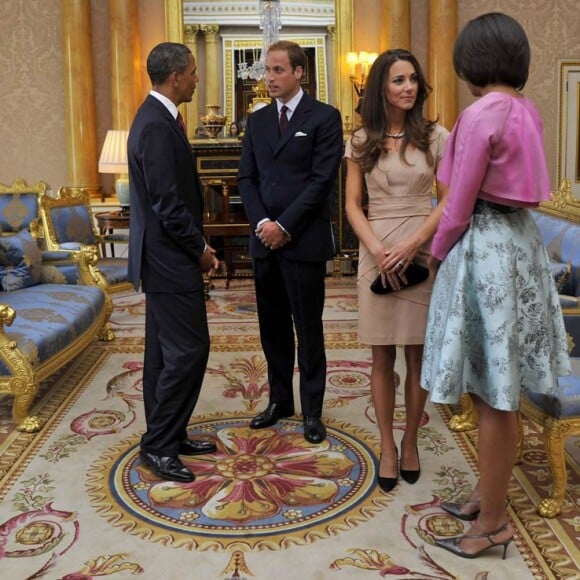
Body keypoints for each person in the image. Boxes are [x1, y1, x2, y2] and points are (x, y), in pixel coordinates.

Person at [421, 13, 571, 559]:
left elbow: (457, 205)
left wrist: (435, 256)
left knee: (491, 397)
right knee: (499, 392)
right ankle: (487, 501)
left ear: (472, 60)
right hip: (521, 246)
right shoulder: (527, 110)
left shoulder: (479, 112)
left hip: (484, 248)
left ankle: (492, 521)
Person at [344, 49, 449, 493]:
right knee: (382, 355)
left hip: (419, 251)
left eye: (412, 80)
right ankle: (387, 445)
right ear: (381, 88)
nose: (408, 88)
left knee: (417, 355)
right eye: (398, 80)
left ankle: (410, 442)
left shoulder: (436, 136)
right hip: (376, 253)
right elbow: (352, 204)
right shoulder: (360, 140)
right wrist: (377, 248)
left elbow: (448, 201)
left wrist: (412, 245)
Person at [237, 40, 343, 444]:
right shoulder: (258, 121)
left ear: (300, 72)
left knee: (308, 329)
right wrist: (263, 222)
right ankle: (280, 401)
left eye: (278, 70)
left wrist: (284, 225)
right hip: (264, 241)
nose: (269, 78)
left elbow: (321, 182)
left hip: (302, 242)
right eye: (267, 71)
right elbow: (247, 179)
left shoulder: (325, 118)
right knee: (273, 329)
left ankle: (312, 412)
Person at [127, 42, 219, 483]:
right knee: (189, 350)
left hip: (162, 256)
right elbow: (167, 204)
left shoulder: (158, 119)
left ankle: (170, 432)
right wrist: (199, 249)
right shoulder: (156, 126)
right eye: (194, 72)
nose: (197, 79)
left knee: (163, 354)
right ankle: (159, 445)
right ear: (176, 75)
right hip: (169, 259)